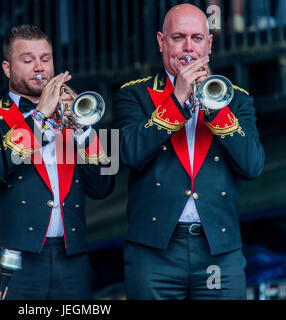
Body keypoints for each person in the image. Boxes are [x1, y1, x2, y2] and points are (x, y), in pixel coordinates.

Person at [113, 4, 264, 299]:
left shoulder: (236, 100)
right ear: (161, 41)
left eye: (196, 38)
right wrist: (177, 99)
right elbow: (128, 154)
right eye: (178, 37)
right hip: (154, 253)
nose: (187, 48)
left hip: (217, 252)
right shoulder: (133, 95)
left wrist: (216, 111)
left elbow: (252, 167)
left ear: (209, 44)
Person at [0, 24, 114, 299]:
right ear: (7, 68)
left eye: (45, 59)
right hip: (14, 258)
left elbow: (104, 185)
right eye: (28, 60)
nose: (39, 68)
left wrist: (86, 130)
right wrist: (40, 118)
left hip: (73, 257)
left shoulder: (74, 111)